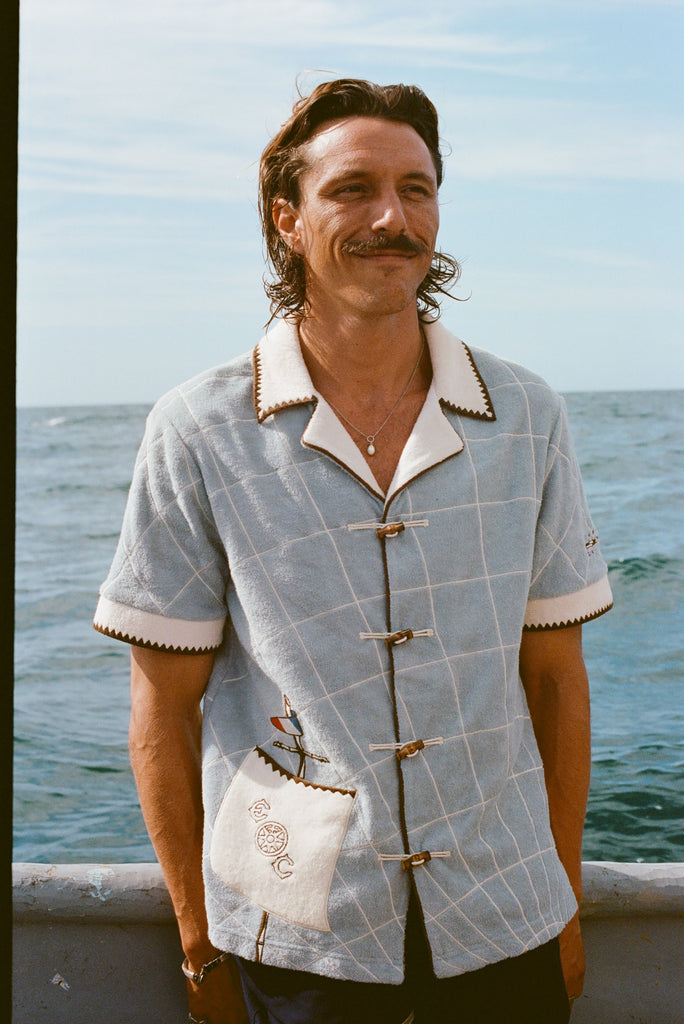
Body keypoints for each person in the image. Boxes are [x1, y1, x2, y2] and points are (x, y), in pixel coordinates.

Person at [94, 78, 613, 1024]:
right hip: (301, 931)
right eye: (353, 189)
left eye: (416, 189)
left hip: (508, 914)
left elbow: (555, 679)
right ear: (287, 219)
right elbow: (162, 704)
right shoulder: (199, 427)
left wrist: (562, 898)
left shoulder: (528, 414)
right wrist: (197, 938)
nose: (392, 216)